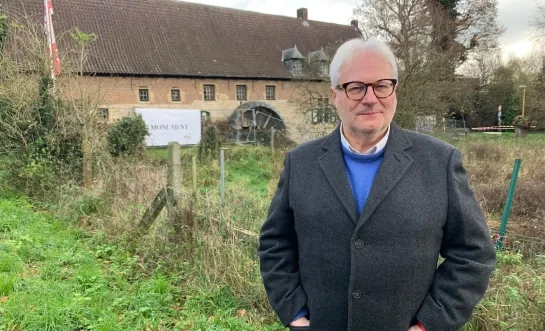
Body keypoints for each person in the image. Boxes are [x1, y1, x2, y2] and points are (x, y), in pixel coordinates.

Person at [257, 38, 495, 331]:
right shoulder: (301, 163)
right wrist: (295, 314)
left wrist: (429, 324)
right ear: (335, 95)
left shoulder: (439, 162)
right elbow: (275, 245)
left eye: (381, 85)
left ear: (394, 90)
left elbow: (473, 254)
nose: (370, 98)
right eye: (356, 87)